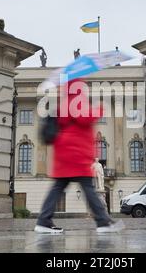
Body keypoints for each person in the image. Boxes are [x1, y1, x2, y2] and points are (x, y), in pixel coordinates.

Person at [34, 79, 123, 234]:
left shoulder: (65, 101)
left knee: (58, 187)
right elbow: (85, 118)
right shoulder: (75, 100)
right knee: (88, 188)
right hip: (75, 152)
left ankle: (43, 221)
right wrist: (100, 109)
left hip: (65, 152)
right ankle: (103, 222)